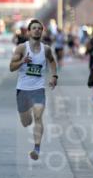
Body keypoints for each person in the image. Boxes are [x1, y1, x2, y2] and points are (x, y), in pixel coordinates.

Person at [9, 18, 58, 160]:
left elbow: (52, 61)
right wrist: (22, 61)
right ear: (29, 32)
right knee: (26, 122)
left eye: (39, 28)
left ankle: (36, 148)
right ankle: (26, 116)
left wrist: (54, 76)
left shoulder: (46, 49)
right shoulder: (21, 48)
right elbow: (11, 67)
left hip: (38, 89)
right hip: (23, 89)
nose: (37, 30)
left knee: (38, 116)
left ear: (42, 31)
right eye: (34, 28)